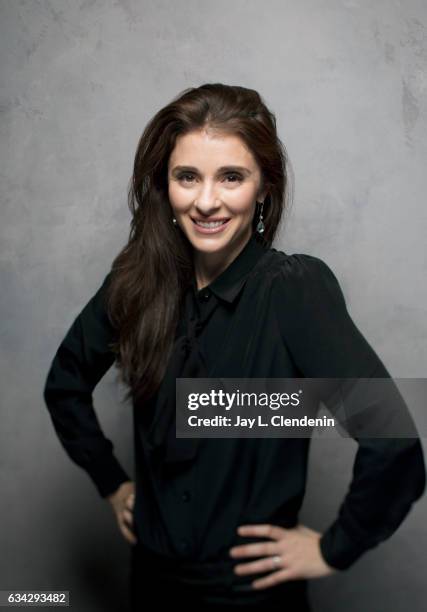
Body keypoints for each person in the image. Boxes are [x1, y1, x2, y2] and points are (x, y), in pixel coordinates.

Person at [43, 83, 426, 611]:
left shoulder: (293, 290)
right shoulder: (135, 283)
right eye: (187, 177)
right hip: (151, 586)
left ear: (264, 186)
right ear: (165, 185)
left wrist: (336, 548)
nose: (206, 201)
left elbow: (392, 438)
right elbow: (64, 386)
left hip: (252, 598)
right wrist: (112, 483)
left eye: (231, 177)